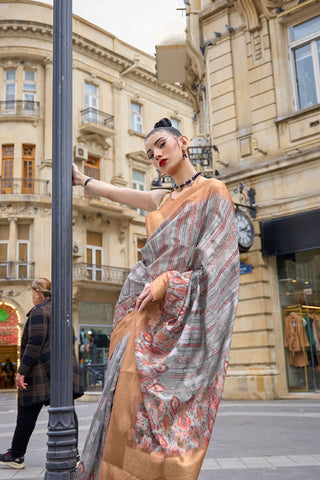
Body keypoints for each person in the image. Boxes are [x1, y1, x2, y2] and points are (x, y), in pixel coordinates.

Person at [74, 118, 240, 480]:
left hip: (177, 323)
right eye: (150, 153)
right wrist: (83, 180)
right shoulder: (162, 198)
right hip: (142, 319)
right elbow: (117, 194)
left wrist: (169, 282)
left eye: (162, 145)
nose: (156, 155)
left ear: (183, 142)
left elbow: (218, 270)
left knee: (159, 422)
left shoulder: (214, 192)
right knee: (125, 409)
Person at [0, 277, 84, 470]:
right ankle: (73, 454)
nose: (32, 295)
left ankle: (16, 455)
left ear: (37, 292)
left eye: (32, 292)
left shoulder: (39, 311)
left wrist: (21, 372)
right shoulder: (62, 311)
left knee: (27, 411)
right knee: (66, 411)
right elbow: (71, 338)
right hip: (61, 370)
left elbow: (34, 343)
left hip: (41, 372)